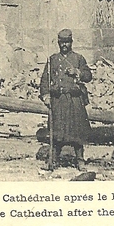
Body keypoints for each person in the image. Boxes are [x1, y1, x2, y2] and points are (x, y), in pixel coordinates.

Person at [40, 29, 92, 169]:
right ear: (58, 43)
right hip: (58, 99)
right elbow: (45, 80)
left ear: (71, 42)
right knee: (57, 131)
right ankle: (53, 160)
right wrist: (45, 96)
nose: (64, 45)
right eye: (62, 42)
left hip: (74, 99)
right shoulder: (52, 60)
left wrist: (78, 72)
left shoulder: (78, 58)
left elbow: (88, 76)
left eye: (67, 42)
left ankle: (80, 160)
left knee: (77, 131)